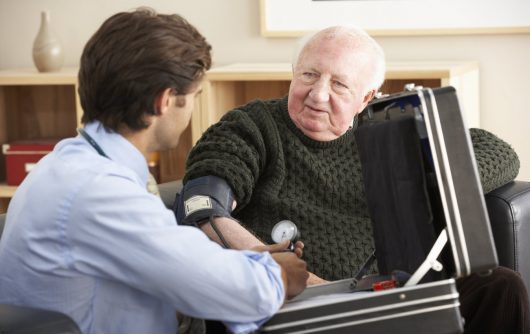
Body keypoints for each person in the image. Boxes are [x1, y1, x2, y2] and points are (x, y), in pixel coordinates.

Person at [179, 26, 529, 333]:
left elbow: (498, 152)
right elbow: (203, 205)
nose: (318, 94)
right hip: (292, 306)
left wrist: (420, 181)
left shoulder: (385, 131)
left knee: (500, 286)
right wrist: (273, 267)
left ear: (366, 98)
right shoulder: (252, 125)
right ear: (293, 72)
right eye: (309, 75)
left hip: (385, 296)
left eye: (339, 84)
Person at [0, 8, 309, 334]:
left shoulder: (65, 164)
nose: (191, 108)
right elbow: (239, 293)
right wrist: (280, 274)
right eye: (193, 98)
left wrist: (242, 263)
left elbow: (171, 268)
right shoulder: (101, 192)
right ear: (165, 101)